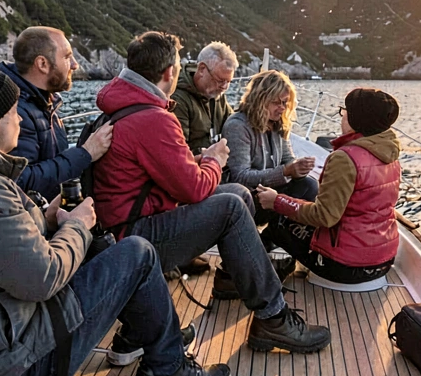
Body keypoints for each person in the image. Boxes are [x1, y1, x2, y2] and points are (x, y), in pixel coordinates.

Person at [0, 64, 230, 376]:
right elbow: (41, 280)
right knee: (136, 252)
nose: (22, 122)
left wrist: (41, 219)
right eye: (14, 113)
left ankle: (141, 336)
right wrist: (77, 226)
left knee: (105, 248)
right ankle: (167, 368)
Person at [93, 31, 331, 354]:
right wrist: (213, 160)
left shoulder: (120, 107)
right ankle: (273, 318)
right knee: (232, 206)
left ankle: (139, 331)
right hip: (135, 235)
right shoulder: (153, 119)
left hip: (120, 227)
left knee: (238, 196)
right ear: (169, 73)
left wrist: (199, 161)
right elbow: (194, 188)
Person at [255, 88, 402, 285]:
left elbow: (324, 216)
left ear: (356, 119)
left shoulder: (345, 158)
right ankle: (276, 266)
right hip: (382, 262)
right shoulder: (390, 154)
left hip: (344, 267)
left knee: (280, 219)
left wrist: (277, 201)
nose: (342, 117)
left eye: (344, 111)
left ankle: (244, 273)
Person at [0, 27, 113, 201]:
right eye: (67, 57)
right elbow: (19, 181)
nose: (75, 64)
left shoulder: (43, 102)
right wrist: (86, 153)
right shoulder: (15, 111)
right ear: (42, 64)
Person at [222, 69, 319, 219]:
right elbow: (240, 176)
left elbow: (287, 159)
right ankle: (271, 233)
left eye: (285, 102)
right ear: (260, 100)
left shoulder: (276, 123)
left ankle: (276, 233)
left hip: (272, 191)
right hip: (250, 195)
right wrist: (285, 171)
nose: (282, 107)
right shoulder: (238, 126)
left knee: (309, 185)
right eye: (276, 102)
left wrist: (299, 167)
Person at [171, 42, 236, 154]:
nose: (224, 87)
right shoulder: (178, 99)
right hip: (196, 166)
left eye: (228, 82)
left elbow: (233, 123)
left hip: (213, 163)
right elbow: (179, 153)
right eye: (220, 80)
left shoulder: (216, 93)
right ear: (202, 69)